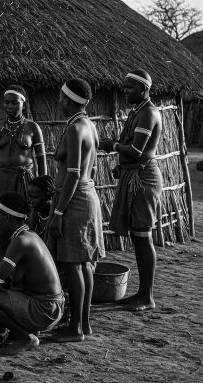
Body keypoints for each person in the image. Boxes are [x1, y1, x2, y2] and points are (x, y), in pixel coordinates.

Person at [46, 78, 105, 342]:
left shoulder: (74, 129)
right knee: (85, 265)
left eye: (60, 97)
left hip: (75, 199)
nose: (58, 101)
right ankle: (84, 323)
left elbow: (72, 175)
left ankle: (76, 328)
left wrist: (58, 212)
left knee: (73, 265)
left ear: (68, 100)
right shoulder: (89, 125)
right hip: (88, 196)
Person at [100, 69, 162, 312]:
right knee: (138, 236)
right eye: (124, 87)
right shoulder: (138, 112)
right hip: (134, 174)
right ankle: (141, 293)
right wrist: (121, 167)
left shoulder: (148, 113)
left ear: (144, 90)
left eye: (130, 88)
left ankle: (147, 297)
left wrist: (111, 145)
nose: (125, 92)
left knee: (143, 236)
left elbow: (137, 151)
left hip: (144, 178)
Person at [0, 192, 64, 350]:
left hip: (44, 310)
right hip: (51, 306)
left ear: (7, 217)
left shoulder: (20, 241)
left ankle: (27, 337)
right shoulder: (29, 235)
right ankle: (28, 329)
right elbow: (3, 276)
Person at [0, 85, 47, 254]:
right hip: (0, 179)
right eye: (6, 103)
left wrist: (44, 187)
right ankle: (5, 257)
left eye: (14, 103)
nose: (9, 106)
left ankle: (25, 254)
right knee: (3, 221)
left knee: (27, 219)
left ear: (23, 105)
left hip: (24, 179)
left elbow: (41, 159)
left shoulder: (33, 128)